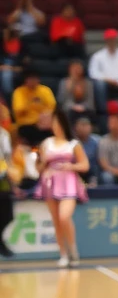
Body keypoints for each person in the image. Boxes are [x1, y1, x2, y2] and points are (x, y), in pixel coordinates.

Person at [34, 108, 89, 267]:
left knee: (65, 216)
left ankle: (73, 249)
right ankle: (63, 254)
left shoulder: (73, 144)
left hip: (68, 182)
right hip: (50, 182)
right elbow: (38, 168)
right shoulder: (46, 144)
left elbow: (85, 165)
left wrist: (70, 166)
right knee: (56, 220)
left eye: (58, 122)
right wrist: (43, 161)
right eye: (54, 122)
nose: (56, 125)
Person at [12, 69, 56, 146]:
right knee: (28, 131)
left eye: (35, 78)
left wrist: (43, 119)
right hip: (26, 124)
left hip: (43, 123)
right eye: (30, 79)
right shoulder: (19, 92)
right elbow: (19, 111)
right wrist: (31, 102)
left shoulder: (45, 90)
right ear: (25, 80)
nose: (33, 81)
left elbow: (52, 108)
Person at [57, 61, 96, 126]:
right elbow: (61, 100)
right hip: (69, 109)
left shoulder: (88, 83)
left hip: (85, 109)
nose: (76, 70)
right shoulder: (64, 82)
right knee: (69, 113)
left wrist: (82, 107)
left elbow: (90, 102)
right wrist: (73, 106)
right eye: (74, 68)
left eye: (78, 68)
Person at [0, 125, 15, 258]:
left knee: (8, 215)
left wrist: (13, 182)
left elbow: (8, 158)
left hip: (2, 176)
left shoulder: (4, 134)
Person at [74, 116, 100, 185]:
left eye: (86, 125)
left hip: (92, 171)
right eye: (82, 125)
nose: (84, 128)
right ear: (76, 127)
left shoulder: (97, 141)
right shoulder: (71, 142)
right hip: (77, 171)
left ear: (90, 127)